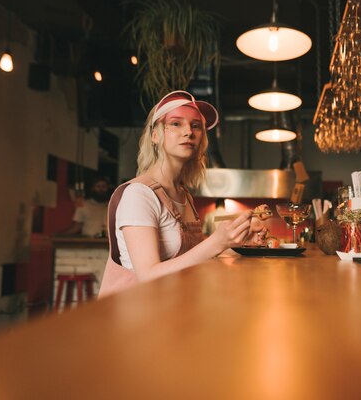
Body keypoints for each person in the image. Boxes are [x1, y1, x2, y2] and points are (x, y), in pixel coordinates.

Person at [99, 90, 256, 297]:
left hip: (173, 308)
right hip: (134, 315)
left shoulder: (183, 194)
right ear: (155, 135)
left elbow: (195, 255)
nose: (189, 132)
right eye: (176, 123)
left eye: (196, 125)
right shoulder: (139, 195)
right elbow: (148, 276)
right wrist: (216, 241)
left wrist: (241, 241)